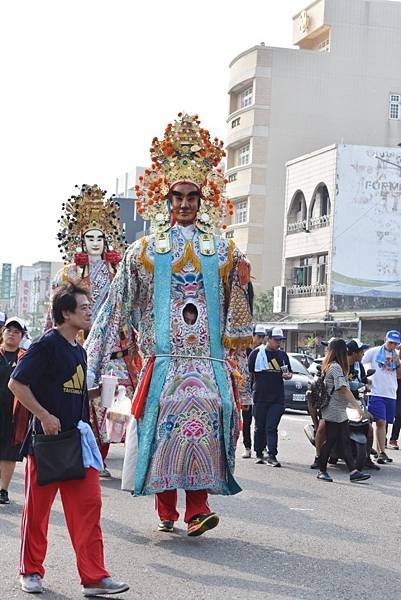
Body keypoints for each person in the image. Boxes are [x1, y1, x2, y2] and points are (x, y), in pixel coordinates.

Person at [85, 113, 253, 536]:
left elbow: (237, 316)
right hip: (164, 364)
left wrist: (239, 373)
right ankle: (166, 510)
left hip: (208, 362)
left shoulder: (225, 251)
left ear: (203, 200)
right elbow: (114, 307)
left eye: (191, 196)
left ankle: (198, 508)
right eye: (177, 196)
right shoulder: (144, 253)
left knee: (215, 419)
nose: (183, 204)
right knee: (164, 420)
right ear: (166, 199)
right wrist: (89, 361)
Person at [9, 282, 129, 597]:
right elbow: (17, 384)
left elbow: (70, 390)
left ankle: (94, 577)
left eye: (91, 306)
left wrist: (100, 394)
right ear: (66, 313)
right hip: (46, 443)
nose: (90, 311)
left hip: (78, 441)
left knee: (89, 505)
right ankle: (30, 571)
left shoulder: (78, 349)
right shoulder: (46, 344)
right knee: (37, 511)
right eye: (85, 307)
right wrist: (45, 416)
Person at [50, 184, 139, 477]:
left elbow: (129, 303)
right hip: (80, 341)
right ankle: (78, 450)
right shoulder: (70, 272)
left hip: (113, 343)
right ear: (81, 240)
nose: (96, 243)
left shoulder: (118, 270)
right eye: (90, 238)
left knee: (111, 400)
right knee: (79, 397)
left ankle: (99, 455)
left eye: (101, 237)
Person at [316, 338, 370, 483]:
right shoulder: (335, 367)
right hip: (333, 409)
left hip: (339, 409)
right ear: (340, 351)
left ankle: (353, 472)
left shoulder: (337, 366)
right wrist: (357, 407)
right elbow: (343, 389)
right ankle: (322, 470)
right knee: (332, 439)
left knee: (344, 440)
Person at [248, 327, 292, 467]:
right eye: (275, 340)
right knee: (259, 427)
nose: (278, 343)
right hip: (260, 396)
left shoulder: (282, 356)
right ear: (268, 339)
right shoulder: (257, 354)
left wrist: (288, 375)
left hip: (277, 398)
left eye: (280, 340)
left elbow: (289, 373)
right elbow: (249, 374)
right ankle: (259, 453)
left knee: (271, 427)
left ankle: (272, 455)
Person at [362, 330, 401, 464]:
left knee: (384, 424)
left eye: (395, 343)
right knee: (380, 422)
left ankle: (379, 453)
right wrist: (365, 379)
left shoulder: (396, 355)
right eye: (390, 342)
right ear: (385, 339)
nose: (392, 345)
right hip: (376, 392)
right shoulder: (374, 352)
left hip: (390, 393)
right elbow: (360, 361)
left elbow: (399, 375)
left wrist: (398, 360)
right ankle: (381, 452)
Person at [0, 317, 26, 504]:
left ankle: (3, 490)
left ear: (22, 336)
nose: (12, 334)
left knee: (9, 453)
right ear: (3, 332)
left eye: (16, 332)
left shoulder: (25, 358)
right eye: (9, 330)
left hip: (14, 413)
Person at [346, 339, 379, 470]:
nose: (363, 355)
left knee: (369, 427)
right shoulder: (342, 365)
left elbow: (364, 381)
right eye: (361, 352)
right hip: (342, 403)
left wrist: (368, 385)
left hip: (358, 402)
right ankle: (319, 457)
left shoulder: (359, 366)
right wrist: (359, 385)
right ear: (354, 353)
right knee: (324, 427)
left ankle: (367, 458)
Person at [241, 324, 266, 459]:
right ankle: (247, 447)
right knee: (247, 420)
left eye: (263, 337)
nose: (260, 340)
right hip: (247, 389)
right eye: (258, 336)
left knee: (261, 421)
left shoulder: (265, 352)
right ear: (252, 335)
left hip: (261, 391)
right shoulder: (245, 351)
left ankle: (262, 448)